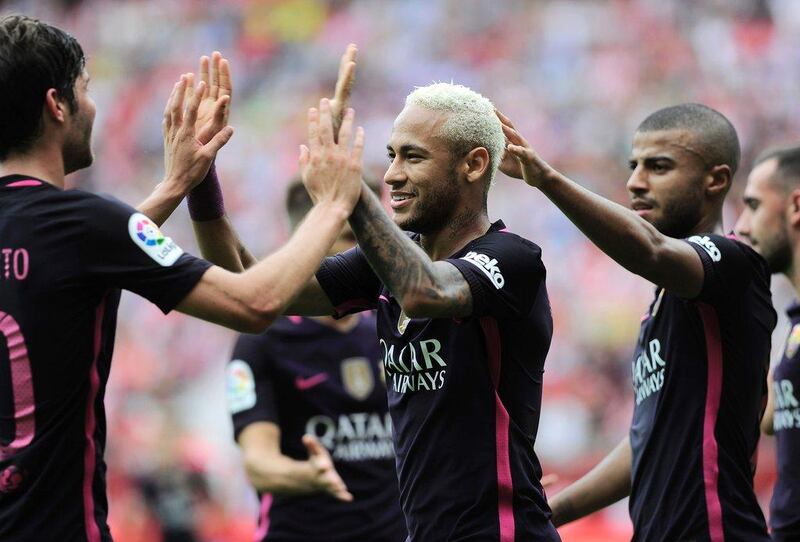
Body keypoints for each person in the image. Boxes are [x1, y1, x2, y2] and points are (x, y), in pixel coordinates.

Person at [0, 15, 365, 542]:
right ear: (57, 105)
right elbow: (255, 303)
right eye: (86, 90)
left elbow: (87, 250)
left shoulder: (75, 232)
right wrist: (333, 205)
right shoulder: (82, 222)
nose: (95, 106)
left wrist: (178, 183)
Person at [192, 57, 561, 538]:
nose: (390, 175)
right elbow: (249, 280)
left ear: (473, 164)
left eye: (413, 156)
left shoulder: (512, 259)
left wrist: (349, 193)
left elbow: (425, 290)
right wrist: (200, 175)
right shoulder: (385, 267)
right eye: (390, 155)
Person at [496, 104, 776, 541]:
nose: (634, 182)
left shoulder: (735, 265)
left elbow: (652, 250)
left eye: (658, 166)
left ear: (715, 180)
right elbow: (646, 440)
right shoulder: (663, 307)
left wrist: (545, 178)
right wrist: (549, 512)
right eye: (633, 166)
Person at [226, 178, 406, 542]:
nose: (368, 253)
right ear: (304, 247)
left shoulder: (396, 326)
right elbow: (258, 463)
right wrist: (307, 476)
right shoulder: (262, 340)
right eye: (350, 240)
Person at [735, 145, 800, 541]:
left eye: (754, 206)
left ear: (795, 206)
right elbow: (769, 417)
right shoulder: (794, 326)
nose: (742, 225)